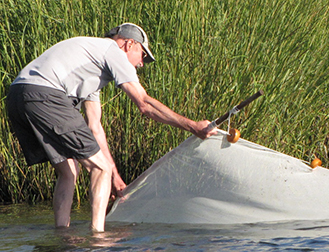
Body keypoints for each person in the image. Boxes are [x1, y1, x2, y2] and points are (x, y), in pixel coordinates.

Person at [6, 23, 218, 232]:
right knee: (100, 168)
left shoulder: (92, 66)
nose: (142, 64)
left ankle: (62, 234)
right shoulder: (111, 51)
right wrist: (192, 126)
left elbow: (95, 126)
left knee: (69, 171)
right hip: (45, 94)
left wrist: (115, 177)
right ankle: (99, 238)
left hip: (17, 96)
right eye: (142, 55)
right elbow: (143, 104)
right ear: (129, 44)